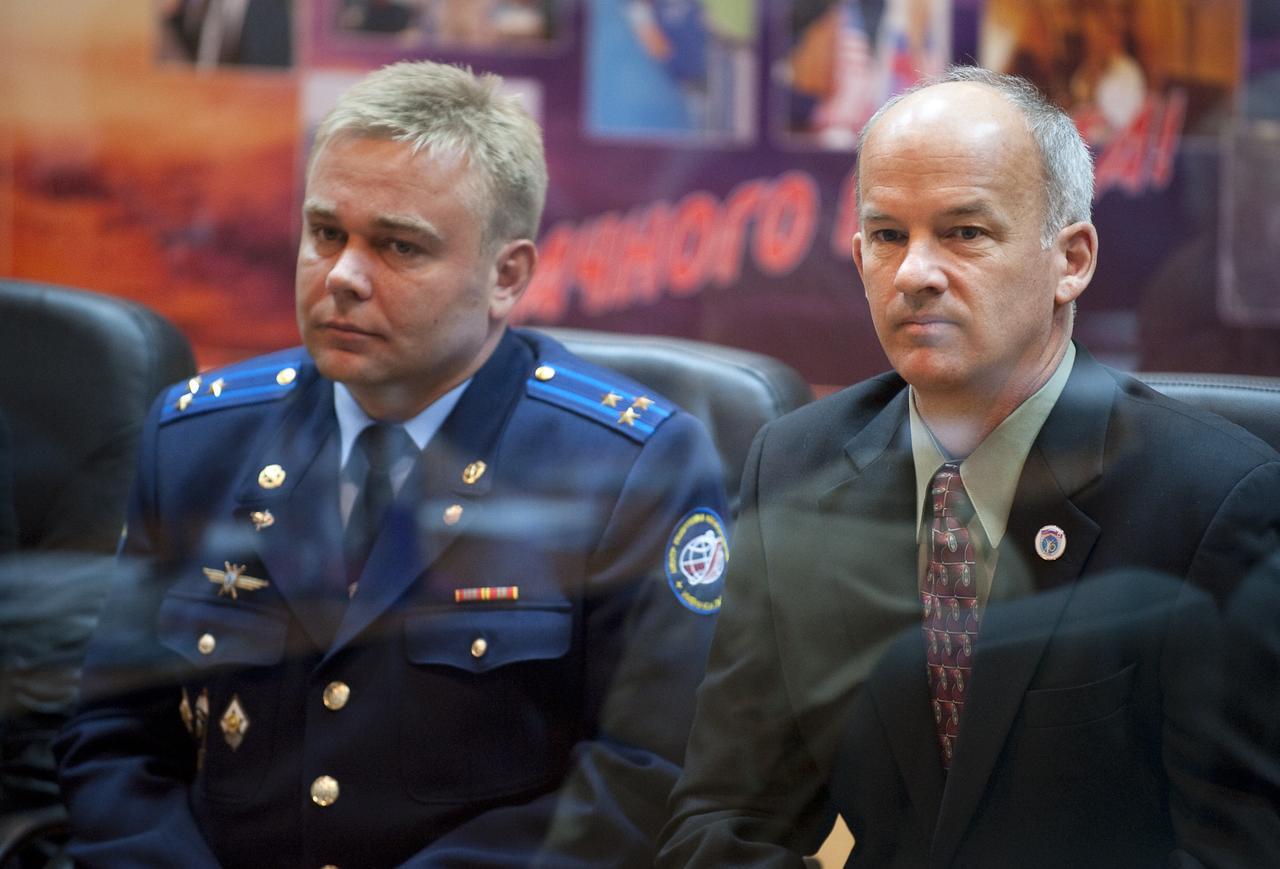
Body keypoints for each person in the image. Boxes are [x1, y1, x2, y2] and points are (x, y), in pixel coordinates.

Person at [55, 60, 729, 868]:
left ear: (506, 275)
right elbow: (114, 734)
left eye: (398, 246)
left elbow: (645, 775)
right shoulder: (199, 437)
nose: (340, 276)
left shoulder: (627, 464)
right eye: (326, 232)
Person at [660, 65, 1280, 867]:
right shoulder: (795, 465)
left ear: (1073, 260)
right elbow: (721, 815)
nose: (915, 272)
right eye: (887, 236)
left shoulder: (1213, 502)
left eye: (964, 233)